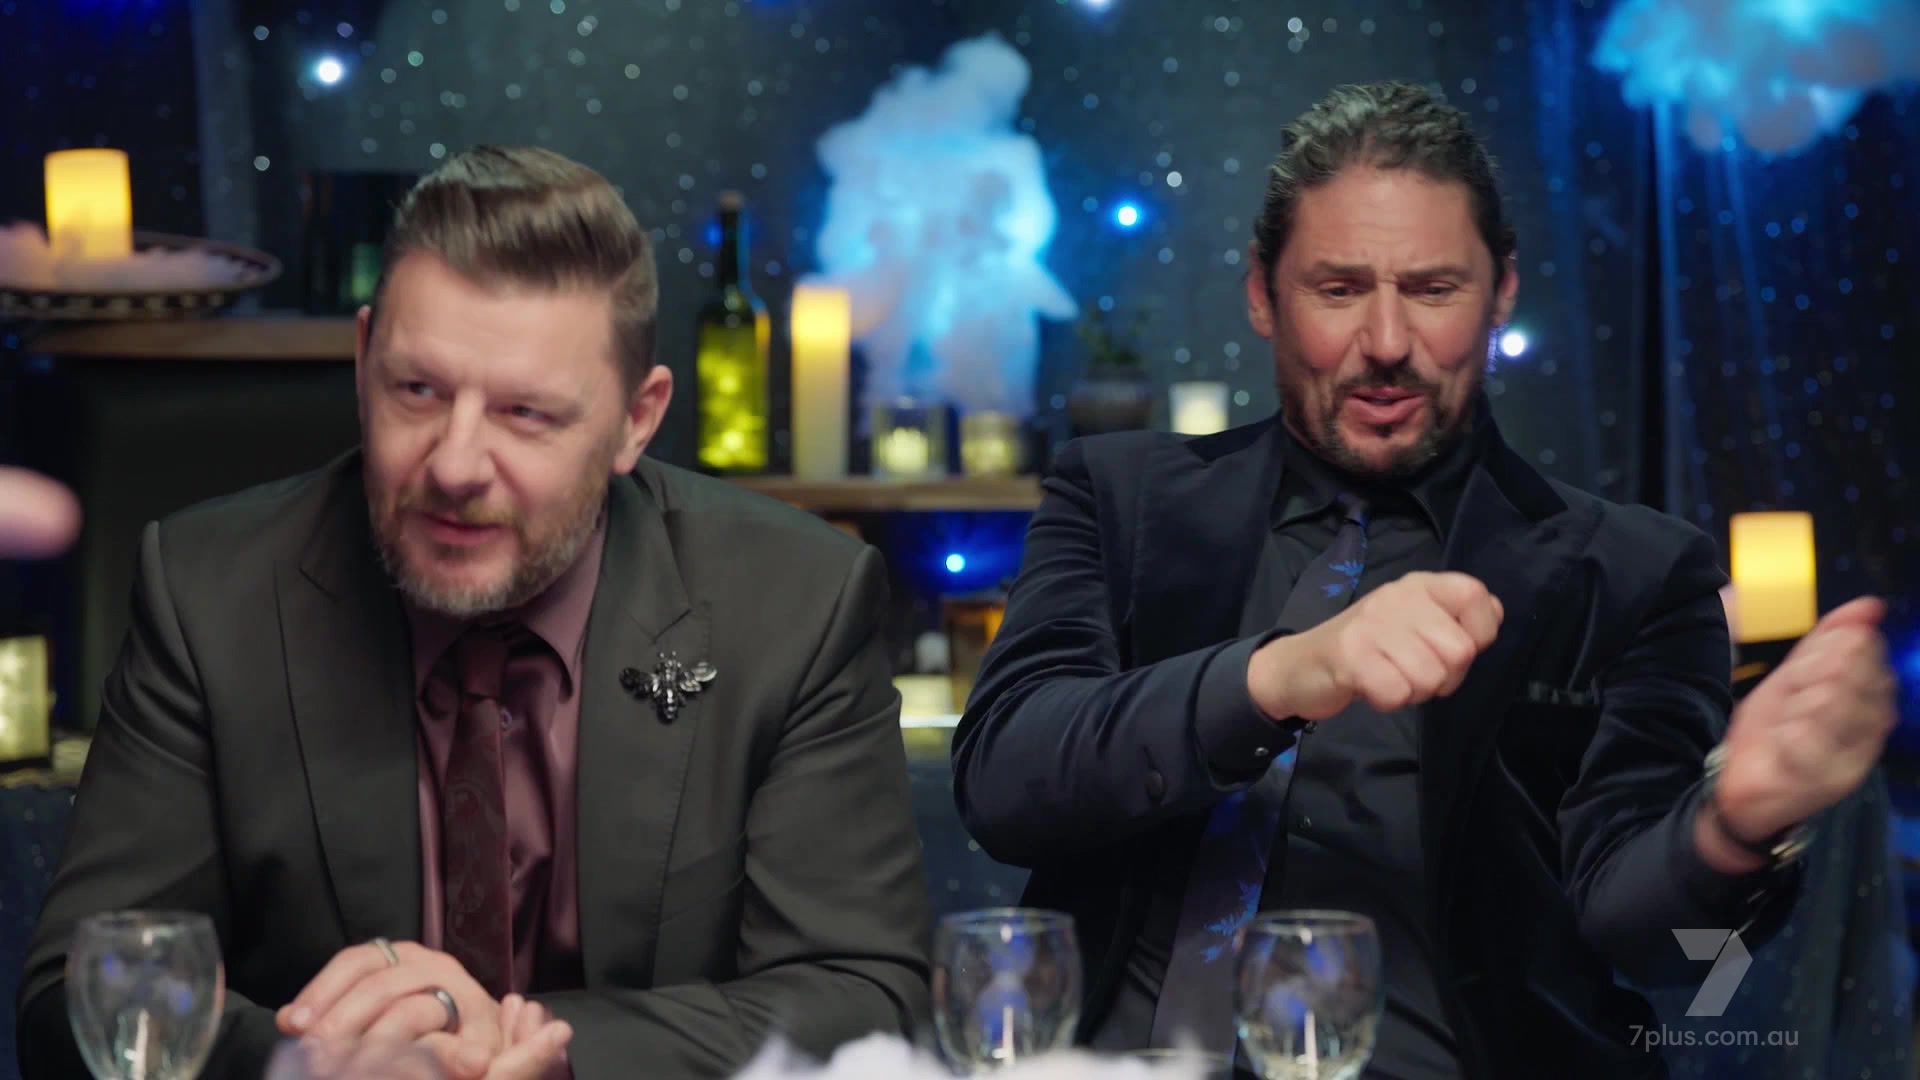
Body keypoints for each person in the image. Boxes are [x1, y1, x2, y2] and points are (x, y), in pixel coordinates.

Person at [951, 82, 1896, 1079]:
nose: (1388, 344)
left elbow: (1659, 949)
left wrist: (1734, 827)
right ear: (1263, 295)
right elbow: (1005, 784)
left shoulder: (1634, 571)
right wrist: (1277, 677)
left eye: (1434, 289)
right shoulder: (1120, 496)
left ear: (1502, 294)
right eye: (1339, 289)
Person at [18, 146, 932, 1080]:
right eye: (417, 391)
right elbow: (76, 993)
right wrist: (318, 1061)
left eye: (525, 413)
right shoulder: (211, 593)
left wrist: (540, 1052)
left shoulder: (796, 603)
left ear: (637, 419)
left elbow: (863, 993)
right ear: (362, 358)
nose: (454, 464)